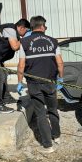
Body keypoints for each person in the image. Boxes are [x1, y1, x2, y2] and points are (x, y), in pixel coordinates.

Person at [17, 15, 64, 153]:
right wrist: (61, 78)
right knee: (53, 109)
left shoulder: (24, 42)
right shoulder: (53, 41)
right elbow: (60, 63)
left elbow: (21, 65)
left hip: (33, 83)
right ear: (42, 27)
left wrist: (19, 82)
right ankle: (57, 136)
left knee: (41, 113)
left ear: (31, 27)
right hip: (50, 82)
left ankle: (48, 145)